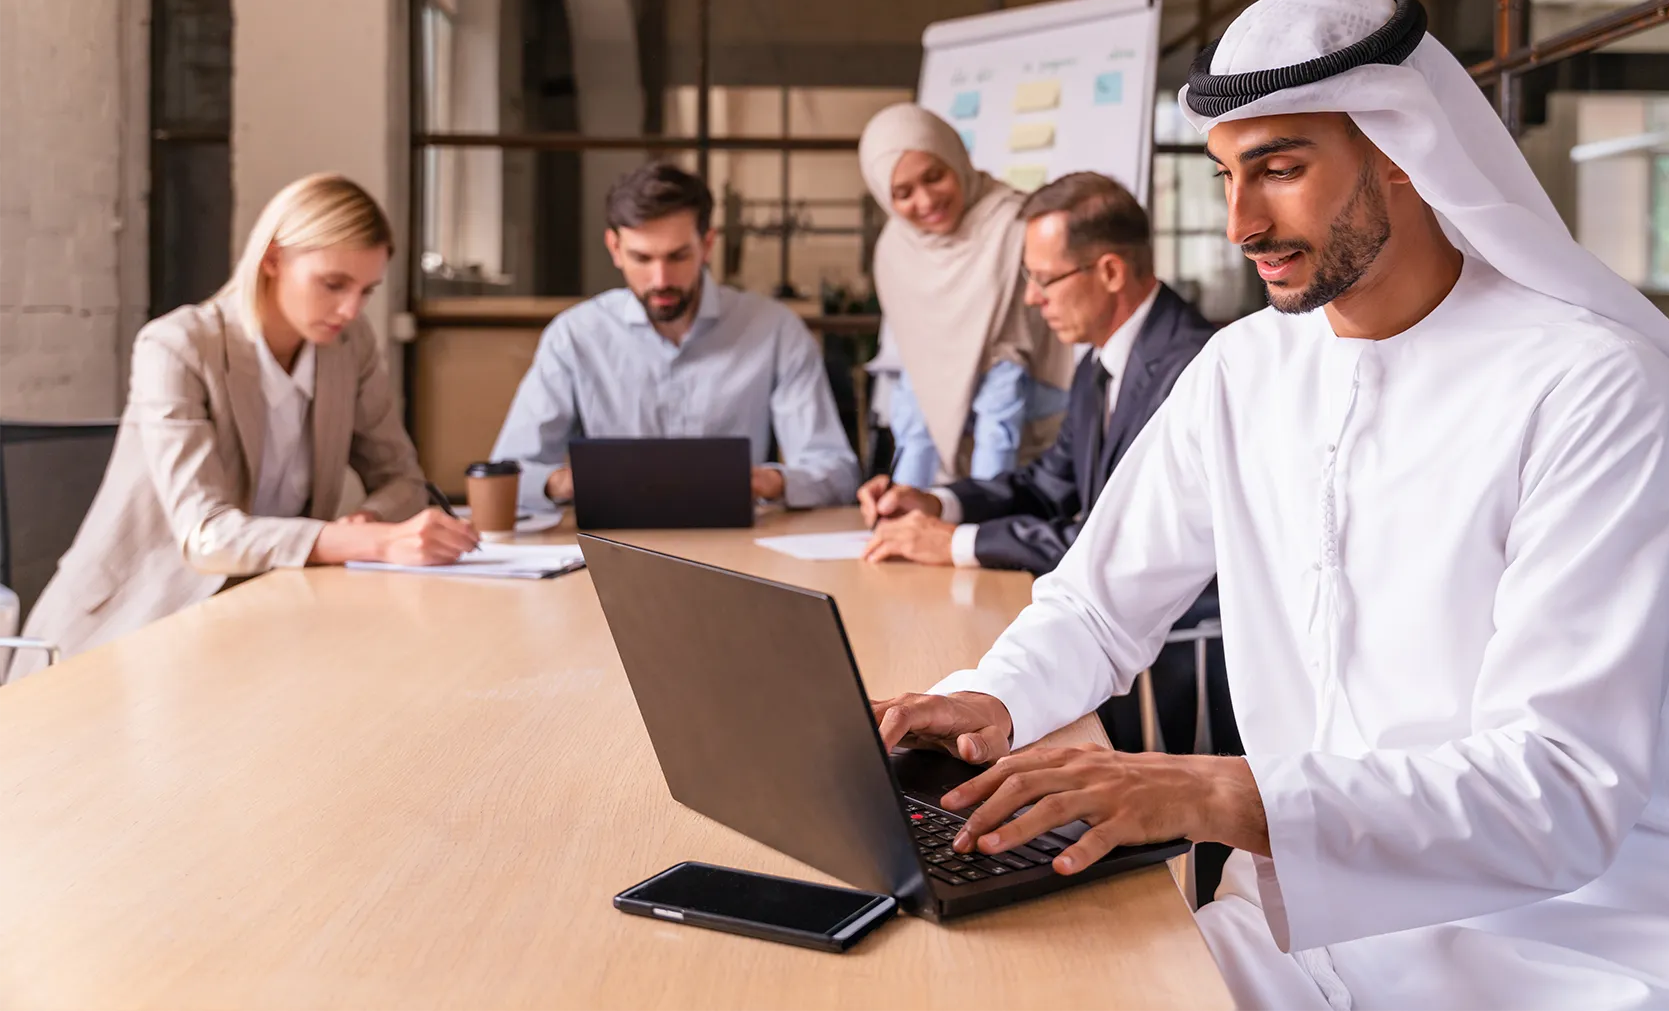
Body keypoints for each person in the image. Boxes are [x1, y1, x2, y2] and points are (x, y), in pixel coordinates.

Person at [869, 0, 1669, 1010]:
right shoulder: (1241, 374)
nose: (1240, 220)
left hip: (1582, 947)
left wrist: (1200, 790)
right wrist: (993, 696)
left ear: (1404, 148)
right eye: (1227, 174)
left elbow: (1557, 791)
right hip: (1297, 929)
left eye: (1278, 169)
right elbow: (1098, 604)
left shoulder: (1593, 389)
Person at [12, 175, 477, 681]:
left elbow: (402, 478)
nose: (351, 309)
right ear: (274, 259)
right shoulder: (177, 346)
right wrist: (375, 543)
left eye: (366, 290)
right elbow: (206, 535)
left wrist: (363, 523)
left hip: (259, 618)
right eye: (333, 284)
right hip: (129, 632)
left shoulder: (349, 346)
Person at [857, 172, 1233, 761]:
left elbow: (1106, 540)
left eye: (1045, 279)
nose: (1033, 297)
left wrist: (958, 543)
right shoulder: (1100, 361)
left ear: (1109, 272)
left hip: (1186, 662)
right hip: (1114, 650)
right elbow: (1049, 483)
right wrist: (941, 502)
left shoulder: (1192, 366)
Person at [490, 163, 858, 512]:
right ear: (615, 249)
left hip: (741, 551)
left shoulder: (775, 330)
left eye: (678, 256)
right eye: (642, 258)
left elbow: (837, 473)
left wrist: (768, 481)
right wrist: (563, 482)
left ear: (707, 245)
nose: (661, 279)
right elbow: (504, 474)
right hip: (612, 550)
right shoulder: (574, 336)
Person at [858, 103, 1070, 488]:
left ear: (956, 158)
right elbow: (916, 352)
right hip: (933, 418)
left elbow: (1026, 344)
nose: (925, 202)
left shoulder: (1014, 220)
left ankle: (983, 511)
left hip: (1026, 436)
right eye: (902, 193)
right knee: (914, 395)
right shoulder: (894, 248)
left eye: (934, 176)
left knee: (1001, 380)